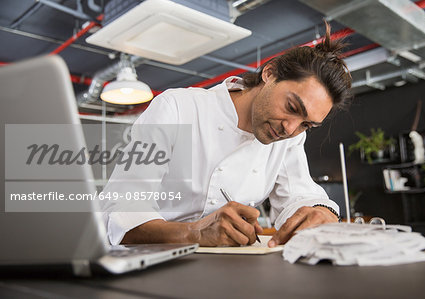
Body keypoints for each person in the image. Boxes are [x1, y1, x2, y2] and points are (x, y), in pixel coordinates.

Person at [101, 22, 352, 248]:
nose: (290, 129)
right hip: (150, 261)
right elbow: (121, 210)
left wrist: (321, 211)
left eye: (306, 124)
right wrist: (195, 234)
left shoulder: (290, 135)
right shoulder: (177, 108)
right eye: (291, 107)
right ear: (270, 73)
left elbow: (299, 195)